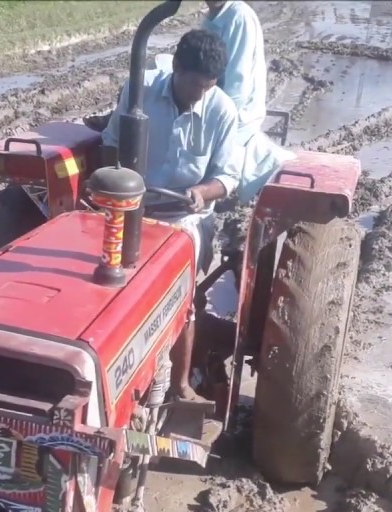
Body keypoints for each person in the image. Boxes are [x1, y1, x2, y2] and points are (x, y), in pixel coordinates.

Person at [100, 29, 240, 403]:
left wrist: (202, 192)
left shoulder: (221, 109)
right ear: (176, 67)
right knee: (105, 279)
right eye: (195, 85)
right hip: (133, 207)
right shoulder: (140, 89)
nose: (200, 94)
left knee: (180, 292)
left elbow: (227, 177)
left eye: (208, 87)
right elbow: (111, 144)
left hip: (185, 217)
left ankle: (179, 387)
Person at [203, 0, 267, 136]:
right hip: (214, 111)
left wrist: (215, 125)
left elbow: (237, 84)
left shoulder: (239, 16)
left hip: (239, 121)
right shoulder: (211, 18)